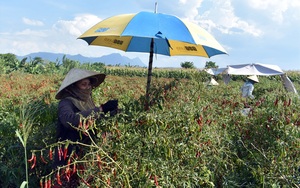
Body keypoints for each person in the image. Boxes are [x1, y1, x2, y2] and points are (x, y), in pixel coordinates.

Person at [52, 68, 118, 187]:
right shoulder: (66, 102)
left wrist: (110, 114)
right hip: (68, 153)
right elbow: (69, 120)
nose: (88, 87)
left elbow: (92, 119)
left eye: (89, 84)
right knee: (65, 182)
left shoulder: (87, 101)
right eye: (84, 84)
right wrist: (101, 109)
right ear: (74, 87)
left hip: (83, 153)